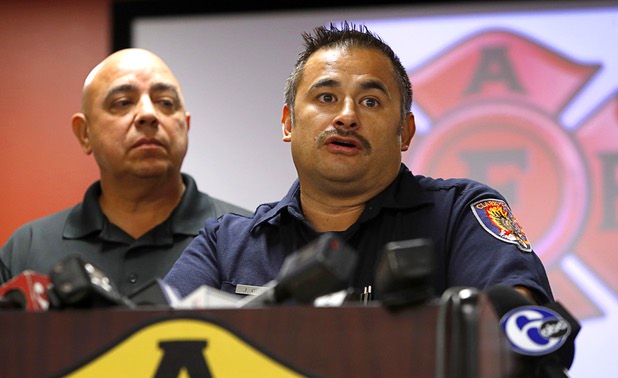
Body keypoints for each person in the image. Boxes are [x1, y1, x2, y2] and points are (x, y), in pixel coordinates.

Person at [163, 22, 553, 305]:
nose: (347, 116)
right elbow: (149, 345)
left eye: (370, 102)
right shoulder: (226, 244)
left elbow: (527, 326)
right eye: (327, 98)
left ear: (405, 132)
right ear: (288, 123)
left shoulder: (458, 215)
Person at [0, 48, 251, 296]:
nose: (148, 114)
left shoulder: (249, 239)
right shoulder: (27, 248)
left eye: (165, 102)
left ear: (185, 126)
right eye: (122, 103)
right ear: (84, 133)